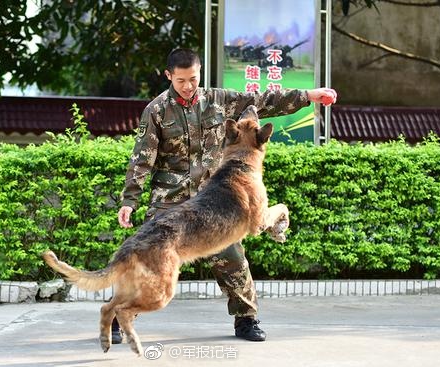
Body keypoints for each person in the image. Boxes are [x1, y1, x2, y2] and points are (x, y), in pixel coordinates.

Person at [114, 48, 337, 343]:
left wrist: (309, 95)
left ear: (200, 73)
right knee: (149, 255)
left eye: (193, 79)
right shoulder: (156, 111)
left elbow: (264, 101)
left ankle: (246, 319)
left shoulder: (219, 100)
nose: (188, 86)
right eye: (181, 80)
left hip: (214, 198)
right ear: (169, 76)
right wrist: (130, 201)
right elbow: (142, 159)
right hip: (171, 200)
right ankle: (120, 316)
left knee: (232, 255)